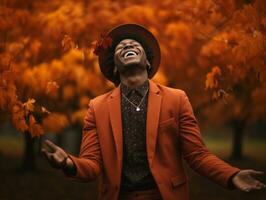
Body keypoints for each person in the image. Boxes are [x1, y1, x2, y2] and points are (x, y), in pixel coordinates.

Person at [42, 24, 266, 200]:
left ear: (147, 61)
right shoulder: (96, 107)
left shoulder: (176, 99)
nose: (128, 46)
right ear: (113, 67)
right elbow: (91, 165)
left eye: (134, 44)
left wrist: (232, 175)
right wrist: (69, 163)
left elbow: (198, 155)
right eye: (120, 47)